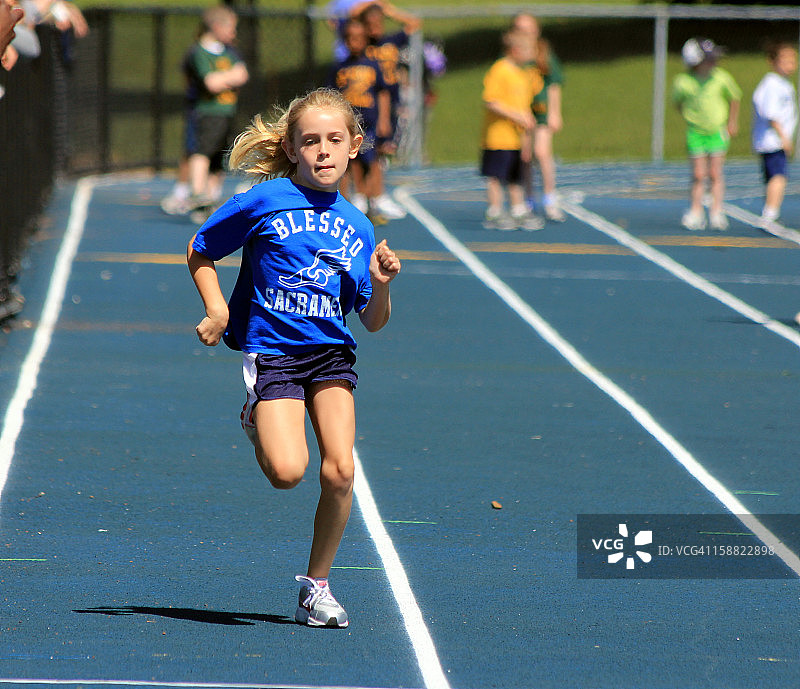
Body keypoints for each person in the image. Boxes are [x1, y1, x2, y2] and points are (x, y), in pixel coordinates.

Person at [186, 87, 401, 628]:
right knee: (287, 472)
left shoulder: (359, 226)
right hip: (275, 354)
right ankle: (257, 418)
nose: (323, 151)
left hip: (330, 355)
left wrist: (380, 285)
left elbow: (371, 321)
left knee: (341, 470)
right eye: (311, 141)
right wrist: (217, 309)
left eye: (335, 140)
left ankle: (317, 587)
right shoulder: (265, 200)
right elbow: (201, 248)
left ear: (355, 147)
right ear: (292, 147)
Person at [172, 5, 248, 223]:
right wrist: (229, 77)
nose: (234, 34)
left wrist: (225, 78)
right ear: (216, 26)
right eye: (230, 28)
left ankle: (211, 199)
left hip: (226, 112)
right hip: (206, 112)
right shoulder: (198, 52)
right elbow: (211, 83)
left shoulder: (230, 52)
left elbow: (242, 75)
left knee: (219, 157)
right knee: (201, 151)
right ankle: (199, 196)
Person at [359, 1, 421, 220]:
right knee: (368, 150)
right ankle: (369, 195)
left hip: (390, 99)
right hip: (371, 100)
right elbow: (339, 23)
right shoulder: (362, 46)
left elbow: (414, 23)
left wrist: (387, 9)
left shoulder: (391, 41)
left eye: (378, 22)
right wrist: (365, 7)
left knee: (384, 148)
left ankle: (377, 195)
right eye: (370, 23)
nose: (374, 27)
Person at [672, 37, 741, 232]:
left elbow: (735, 96)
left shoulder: (721, 78)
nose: (713, 63)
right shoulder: (684, 82)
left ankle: (716, 211)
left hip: (716, 131)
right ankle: (696, 211)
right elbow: (678, 102)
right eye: (708, 59)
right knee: (698, 174)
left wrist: (732, 122)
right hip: (695, 132)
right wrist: (690, 117)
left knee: (715, 173)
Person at [480, 29, 544, 231]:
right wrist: (516, 116)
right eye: (529, 50)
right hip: (498, 137)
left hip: (517, 138)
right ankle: (495, 211)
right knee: (497, 176)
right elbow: (491, 100)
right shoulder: (500, 70)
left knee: (516, 176)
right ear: (516, 50)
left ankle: (518, 209)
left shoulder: (524, 74)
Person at [329, 17, 392, 224]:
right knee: (346, 163)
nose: (353, 42)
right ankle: (344, 203)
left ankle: (372, 200)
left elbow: (383, 93)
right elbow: (331, 95)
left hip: (369, 122)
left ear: (365, 38)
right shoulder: (339, 66)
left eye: (357, 38)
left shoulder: (373, 65)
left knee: (371, 160)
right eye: (349, 38)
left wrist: (384, 120)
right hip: (346, 123)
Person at [512, 12, 565, 222]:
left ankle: (550, 197)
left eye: (528, 29)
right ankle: (528, 198)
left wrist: (555, 112)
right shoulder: (514, 54)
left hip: (541, 111)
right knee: (524, 156)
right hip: (521, 112)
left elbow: (554, 84)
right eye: (520, 29)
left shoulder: (544, 53)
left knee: (541, 152)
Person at [752, 41, 798, 229]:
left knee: (773, 176)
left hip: (772, 140)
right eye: (785, 60)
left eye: (793, 60)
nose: (790, 64)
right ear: (774, 61)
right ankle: (770, 213)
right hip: (772, 141)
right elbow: (771, 115)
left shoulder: (783, 84)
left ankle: (770, 210)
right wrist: (784, 137)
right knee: (778, 176)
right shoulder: (772, 84)